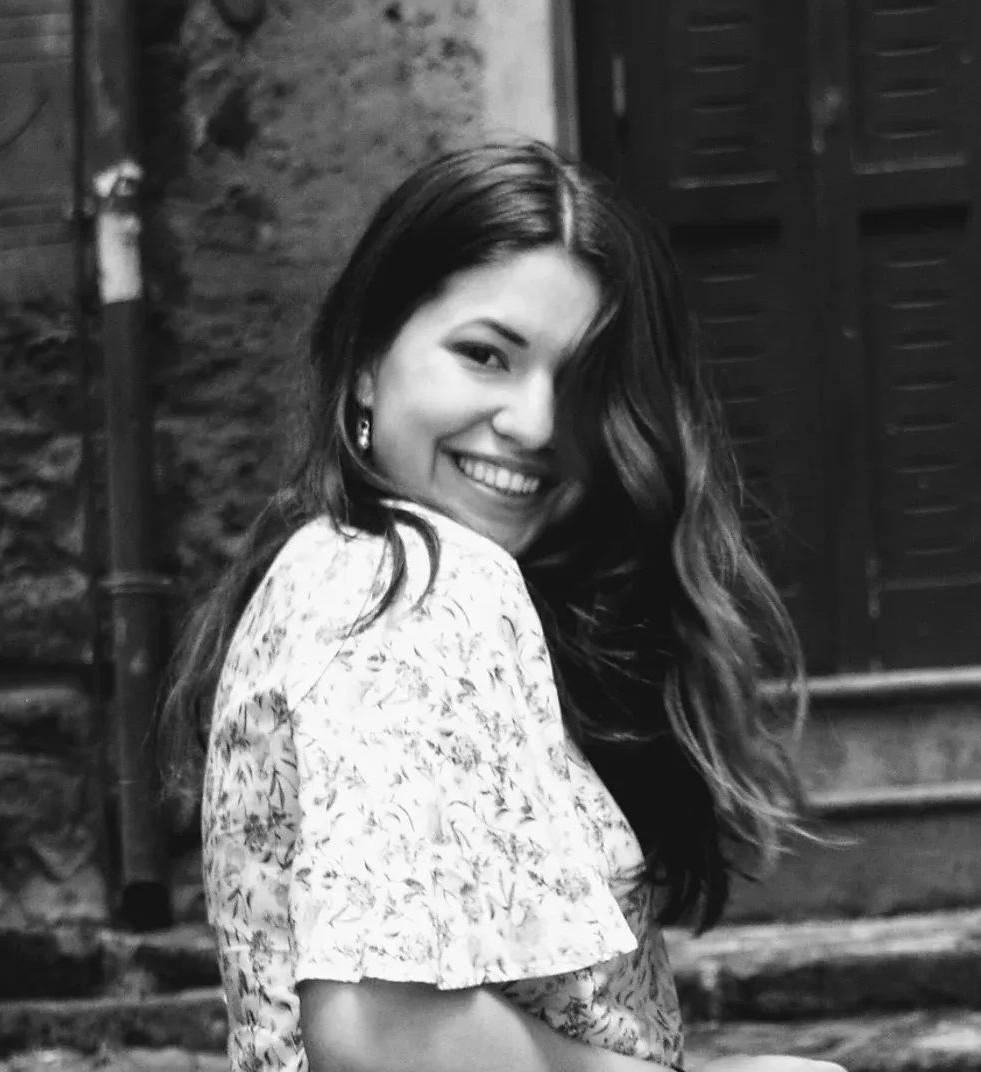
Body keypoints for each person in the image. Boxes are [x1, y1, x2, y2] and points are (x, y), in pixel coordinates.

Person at [162, 140, 844, 1072]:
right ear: (366, 360)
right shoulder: (420, 582)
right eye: (486, 355)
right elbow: (374, 1031)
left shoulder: (332, 569)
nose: (534, 423)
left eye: (587, 383)